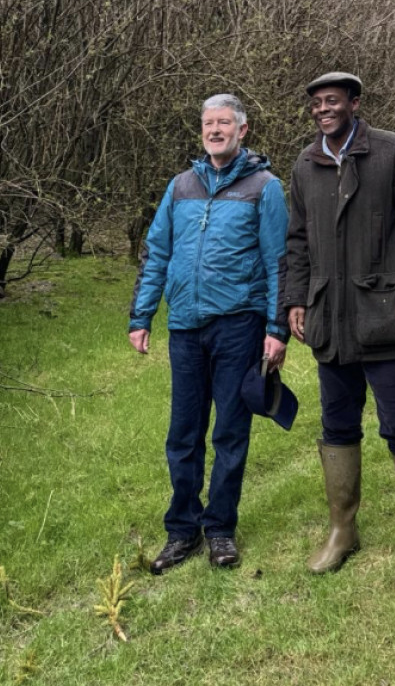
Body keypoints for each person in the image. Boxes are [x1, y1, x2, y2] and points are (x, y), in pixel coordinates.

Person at [281, 71, 395, 587]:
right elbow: (297, 243)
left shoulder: (393, 153)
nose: (322, 110)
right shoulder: (306, 166)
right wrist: (296, 302)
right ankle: (341, 531)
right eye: (315, 104)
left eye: (332, 101)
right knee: (336, 426)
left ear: (354, 103)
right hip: (329, 319)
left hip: (385, 315)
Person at [129, 93, 288, 573]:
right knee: (183, 433)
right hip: (185, 328)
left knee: (230, 432)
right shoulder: (180, 186)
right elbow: (157, 251)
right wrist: (142, 316)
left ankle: (220, 529)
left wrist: (277, 328)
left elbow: (278, 260)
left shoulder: (265, 187)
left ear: (243, 130)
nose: (214, 130)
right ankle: (182, 531)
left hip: (239, 325)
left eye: (224, 123)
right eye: (207, 124)